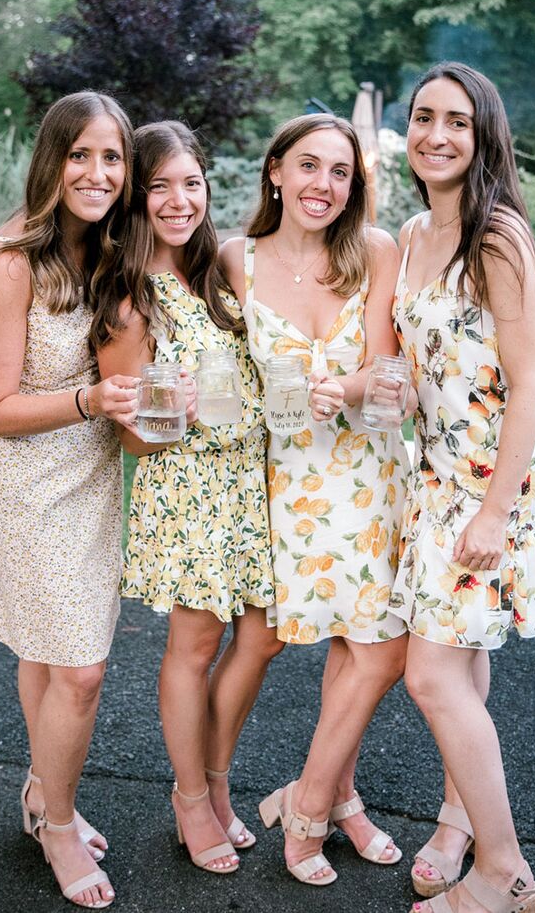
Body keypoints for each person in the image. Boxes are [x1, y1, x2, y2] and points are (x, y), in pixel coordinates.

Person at [0, 91, 140, 910]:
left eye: (112, 158)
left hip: (91, 477)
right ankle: (59, 821)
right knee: (82, 667)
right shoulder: (8, 260)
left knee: (48, 649)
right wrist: (94, 401)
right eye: (81, 155)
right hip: (26, 476)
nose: (97, 173)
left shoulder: (111, 257)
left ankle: (41, 789)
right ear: (51, 161)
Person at [220, 113, 412, 887]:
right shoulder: (236, 257)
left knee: (373, 648)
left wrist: (352, 384)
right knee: (314, 643)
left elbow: (387, 366)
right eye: (308, 166)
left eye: (341, 173)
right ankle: (340, 797)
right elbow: (217, 371)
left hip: (368, 476)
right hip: (286, 482)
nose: (323, 185)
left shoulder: (374, 249)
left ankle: (311, 801)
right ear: (275, 171)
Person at [92, 121, 280, 876]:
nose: (179, 199)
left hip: (248, 485)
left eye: (191, 183)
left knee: (263, 636)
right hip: (188, 491)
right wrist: (181, 408)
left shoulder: (219, 277)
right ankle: (191, 796)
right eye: (160, 184)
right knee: (195, 647)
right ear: (138, 195)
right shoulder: (129, 295)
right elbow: (133, 438)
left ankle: (218, 779)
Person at [391, 62, 535, 913]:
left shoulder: (499, 239)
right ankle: (457, 817)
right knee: (465, 659)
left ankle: (504, 871)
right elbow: (427, 362)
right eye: (423, 117)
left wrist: (494, 510)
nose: (437, 134)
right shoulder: (415, 234)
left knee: (432, 676)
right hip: (432, 473)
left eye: (457, 120)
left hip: (491, 484)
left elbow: (530, 383)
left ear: (483, 134)